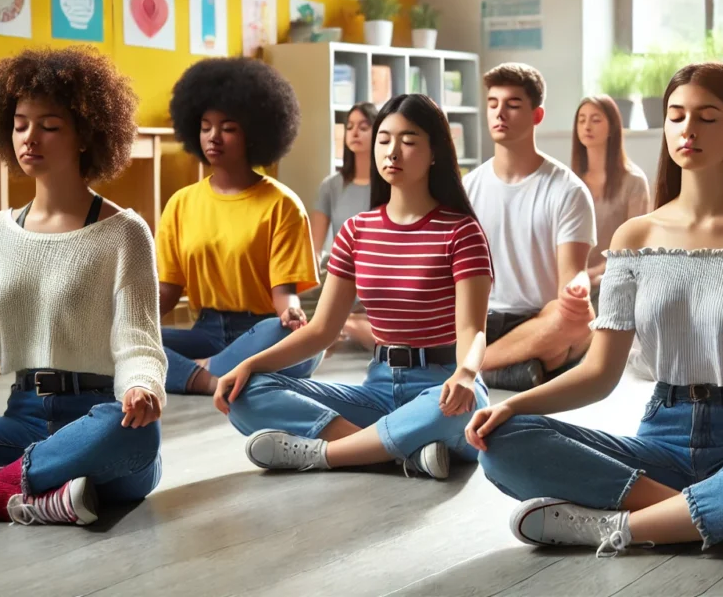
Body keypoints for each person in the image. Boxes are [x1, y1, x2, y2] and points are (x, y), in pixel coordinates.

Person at [466, 63, 723, 559]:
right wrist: (513, 406)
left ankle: (620, 528)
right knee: (503, 441)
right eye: (676, 115)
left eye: (707, 117)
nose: (688, 129)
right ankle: (719, 520)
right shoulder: (636, 238)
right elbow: (599, 372)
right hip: (660, 441)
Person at [215, 94, 494, 480]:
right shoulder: (356, 232)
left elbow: (472, 330)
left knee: (450, 408)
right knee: (244, 392)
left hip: (444, 388)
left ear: (435, 153)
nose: (392, 151)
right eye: (384, 139)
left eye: (409, 140)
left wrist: (464, 373)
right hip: (379, 390)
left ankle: (323, 454)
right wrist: (248, 364)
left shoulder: (461, 232)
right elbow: (321, 330)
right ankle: (401, 454)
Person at [0, 48, 164, 525]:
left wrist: (142, 387)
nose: (29, 138)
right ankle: (38, 492)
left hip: (102, 420)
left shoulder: (125, 232)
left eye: (49, 125)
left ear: (86, 133)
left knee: (132, 434)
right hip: (21, 420)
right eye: (21, 123)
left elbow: (138, 343)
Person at [158, 58, 320, 395]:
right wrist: (124, 320)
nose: (213, 137)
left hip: (262, 328)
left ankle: (192, 372)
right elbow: (168, 292)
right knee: (114, 342)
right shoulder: (181, 203)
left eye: (228, 127)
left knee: (290, 340)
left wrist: (291, 315)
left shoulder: (282, 204)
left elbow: (284, 294)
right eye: (205, 127)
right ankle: (215, 377)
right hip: (205, 331)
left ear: (254, 133)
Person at [465, 63, 596, 392]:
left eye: (512, 105)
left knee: (577, 321)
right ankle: (513, 367)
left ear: (537, 116)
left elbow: (573, 274)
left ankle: (471, 366)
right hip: (480, 320)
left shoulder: (568, 190)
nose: (500, 113)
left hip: (539, 321)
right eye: (493, 104)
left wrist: (578, 289)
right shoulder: (467, 188)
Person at [305, 102, 377, 350]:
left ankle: (346, 324)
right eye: (350, 127)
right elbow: (314, 249)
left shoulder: (390, 184)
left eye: (364, 127)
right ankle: (344, 322)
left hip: (379, 275)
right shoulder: (331, 186)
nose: (355, 132)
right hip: (341, 275)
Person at [571, 96, 651, 291]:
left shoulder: (634, 181)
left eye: (595, 119)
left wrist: (593, 273)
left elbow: (633, 247)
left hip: (615, 279)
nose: (587, 126)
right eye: (581, 120)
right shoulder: (570, 181)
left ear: (612, 127)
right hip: (571, 280)